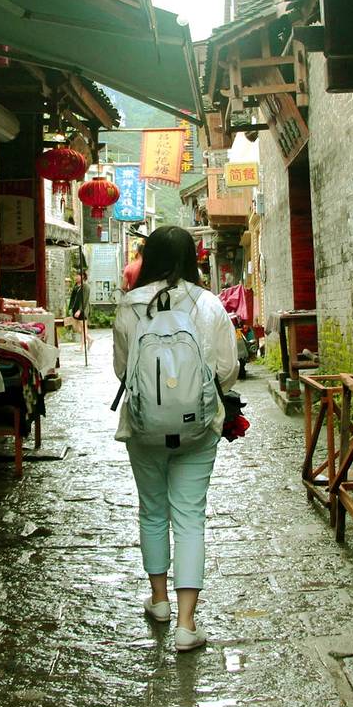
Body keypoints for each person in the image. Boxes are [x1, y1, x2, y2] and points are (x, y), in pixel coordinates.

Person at [113, 225, 238, 652]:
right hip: (198, 429)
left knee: (152, 511)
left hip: (144, 429)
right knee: (189, 517)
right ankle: (187, 624)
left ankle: (160, 601)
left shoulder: (129, 305)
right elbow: (227, 370)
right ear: (190, 259)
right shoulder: (209, 304)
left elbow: (122, 371)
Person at [66, 271, 92, 350]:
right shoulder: (76, 286)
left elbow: (85, 299)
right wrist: (70, 308)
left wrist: (80, 310)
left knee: (83, 327)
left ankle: (82, 347)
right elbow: (72, 298)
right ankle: (89, 338)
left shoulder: (86, 286)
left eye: (78, 276)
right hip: (75, 309)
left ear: (83, 276)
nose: (76, 277)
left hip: (83, 310)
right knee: (76, 328)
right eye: (75, 276)